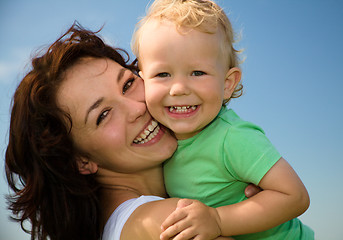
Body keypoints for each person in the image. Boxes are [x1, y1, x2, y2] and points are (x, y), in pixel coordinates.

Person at [5, 23, 261, 240]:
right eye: (103, 115)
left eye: (127, 84)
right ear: (81, 161)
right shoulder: (169, 223)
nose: (136, 108)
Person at [131, 0, 315, 239]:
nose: (178, 88)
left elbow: (295, 197)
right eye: (162, 74)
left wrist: (218, 220)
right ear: (143, 81)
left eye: (197, 73)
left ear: (227, 84)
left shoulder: (232, 136)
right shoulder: (159, 141)